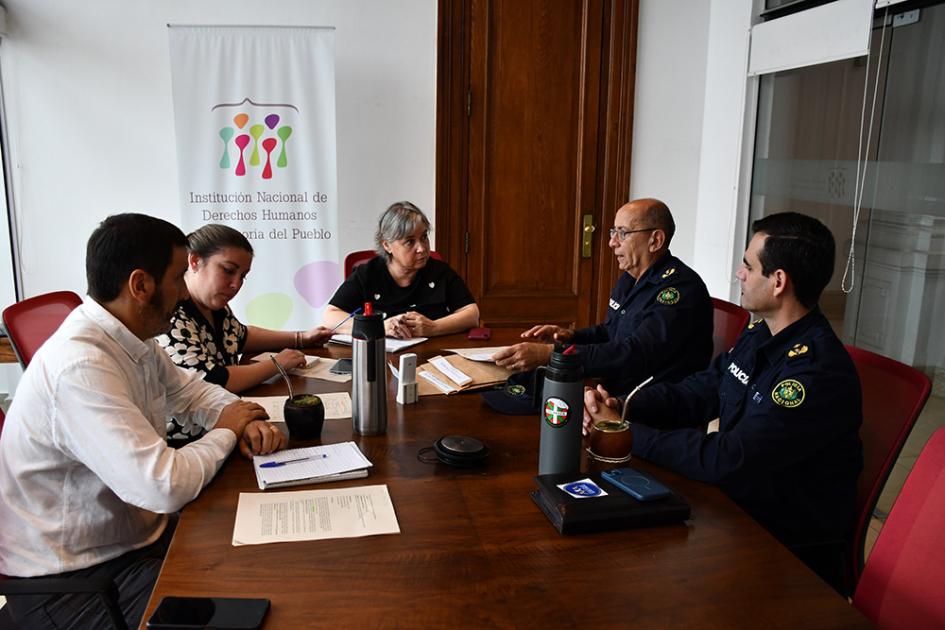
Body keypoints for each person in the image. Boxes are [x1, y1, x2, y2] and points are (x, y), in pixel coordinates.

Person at [0, 214, 286, 629]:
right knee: (248, 601)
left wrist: (240, 417)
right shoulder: (80, 366)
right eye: (176, 280)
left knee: (256, 561)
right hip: (73, 581)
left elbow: (190, 391)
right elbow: (163, 485)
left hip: (132, 540)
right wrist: (227, 428)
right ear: (140, 285)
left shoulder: (134, 340)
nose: (182, 293)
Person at [584, 211, 863, 580]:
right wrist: (621, 406)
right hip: (727, 505)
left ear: (779, 282)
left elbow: (728, 458)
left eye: (748, 266)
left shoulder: (815, 373)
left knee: (622, 567)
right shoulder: (761, 332)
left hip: (778, 548)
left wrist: (623, 433)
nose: (739, 274)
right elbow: (701, 390)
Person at [492, 198, 713, 397]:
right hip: (609, 387)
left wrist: (553, 354)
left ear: (655, 240)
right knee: (512, 391)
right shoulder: (630, 278)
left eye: (623, 233)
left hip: (645, 403)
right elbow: (611, 332)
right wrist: (569, 337)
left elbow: (636, 353)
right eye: (613, 232)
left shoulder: (680, 289)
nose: (612, 242)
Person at [157, 224, 333, 443]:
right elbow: (215, 381)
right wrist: (276, 364)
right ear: (194, 261)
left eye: (243, 276)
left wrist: (300, 337)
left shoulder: (215, 305)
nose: (236, 285)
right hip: (191, 442)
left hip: (228, 424)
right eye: (228, 271)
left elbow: (241, 336)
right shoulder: (172, 316)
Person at [323, 201, 480, 338]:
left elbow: (472, 314)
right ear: (387, 245)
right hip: (382, 358)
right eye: (410, 242)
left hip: (432, 357)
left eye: (424, 237)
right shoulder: (368, 275)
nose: (422, 248)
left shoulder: (439, 272)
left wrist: (434, 327)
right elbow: (330, 317)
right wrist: (377, 327)